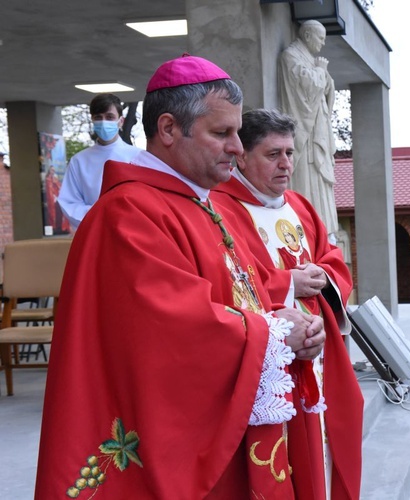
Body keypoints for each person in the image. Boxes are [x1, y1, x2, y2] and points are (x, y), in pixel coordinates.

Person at [35, 54, 326, 499]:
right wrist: (273, 332)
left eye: (237, 132)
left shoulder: (204, 205)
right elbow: (173, 328)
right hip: (176, 444)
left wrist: (295, 327)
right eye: (221, 133)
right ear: (168, 129)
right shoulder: (128, 212)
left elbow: (243, 299)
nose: (236, 146)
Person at [211, 108, 363, 500]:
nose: (286, 164)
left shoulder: (300, 205)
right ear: (241, 156)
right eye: (273, 154)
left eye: (290, 153)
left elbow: (333, 260)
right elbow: (226, 283)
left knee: (323, 455)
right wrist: (286, 283)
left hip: (319, 352)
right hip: (274, 361)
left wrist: (322, 277)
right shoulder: (221, 209)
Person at [278, 20, 339, 241]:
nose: (323, 44)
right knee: (308, 184)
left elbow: (326, 88)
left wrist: (323, 74)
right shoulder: (291, 56)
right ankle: (311, 230)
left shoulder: (310, 60)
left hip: (318, 133)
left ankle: (324, 231)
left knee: (321, 185)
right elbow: (309, 88)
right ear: (307, 36)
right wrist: (320, 71)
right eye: (320, 38)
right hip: (306, 136)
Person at [58, 93, 141, 231]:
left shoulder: (138, 157)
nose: (103, 122)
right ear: (92, 120)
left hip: (131, 228)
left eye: (109, 117)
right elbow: (69, 202)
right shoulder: (79, 161)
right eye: (98, 117)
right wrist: (102, 214)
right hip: (93, 230)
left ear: (121, 121)